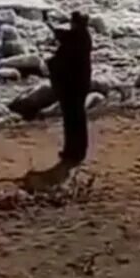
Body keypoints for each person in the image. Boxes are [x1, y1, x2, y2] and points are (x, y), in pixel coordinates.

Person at [44, 10, 93, 165]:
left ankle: (72, 151)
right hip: (81, 84)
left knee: (72, 119)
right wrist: (49, 23)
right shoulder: (84, 37)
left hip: (72, 86)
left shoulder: (75, 39)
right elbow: (63, 36)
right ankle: (79, 150)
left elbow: (64, 42)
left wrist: (50, 63)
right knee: (79, 117)